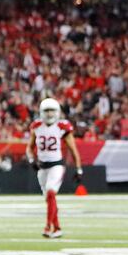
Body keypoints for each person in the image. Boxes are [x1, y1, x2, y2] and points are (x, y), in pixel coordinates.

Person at [26, 98, 83, 238]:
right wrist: (31, 159)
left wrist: (79, 168)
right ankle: (57, 228)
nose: (50, 114)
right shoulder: (37, 126)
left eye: (52, 110)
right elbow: (29, 148)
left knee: (51, 193)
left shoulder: (62, 127)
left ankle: (47, 227)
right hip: (42, 168)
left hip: (56, 165)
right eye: (47, 110)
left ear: (57, 112)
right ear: (41, 112)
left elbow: (73, 149)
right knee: (49, 199)